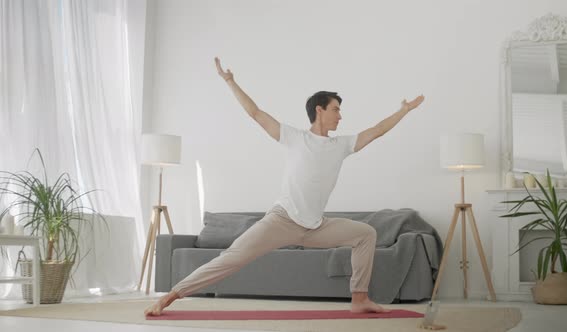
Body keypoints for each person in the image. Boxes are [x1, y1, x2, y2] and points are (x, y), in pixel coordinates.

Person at [145, 57, 425, 316]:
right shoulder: (294, 137)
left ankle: (359, 298)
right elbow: (255, 113)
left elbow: (376, 131)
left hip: (316, 227)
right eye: (336, 109)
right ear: (320, 110)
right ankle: (172, 295)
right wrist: (230, 81)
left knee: (365, 234)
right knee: (232, 258)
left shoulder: (342, 145)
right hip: (282, 220)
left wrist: (403, 111)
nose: (341, 116)